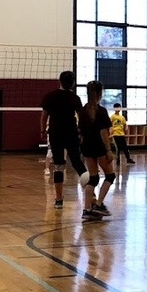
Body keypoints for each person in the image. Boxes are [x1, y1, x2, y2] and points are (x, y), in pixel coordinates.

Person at [42, 70, 87, 209]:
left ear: (59, 81)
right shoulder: (74, 98)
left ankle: (59, 199)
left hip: (55, 132)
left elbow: (44, 116)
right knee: (78, 163)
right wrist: (81, 132)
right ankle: (92, 195)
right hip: (71, 132)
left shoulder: (50, 96)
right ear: (72, 83)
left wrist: (42, 131)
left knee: (58, 165)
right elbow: (82, 117)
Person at [78, 82, 116, 222]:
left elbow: (80, 132)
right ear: (100, 94)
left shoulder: (82, 110)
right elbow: (103, 133)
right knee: (110, 176)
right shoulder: (101, 111)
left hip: (86, 147)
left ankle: (87, 210)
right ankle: (99, 205)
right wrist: (108, 150)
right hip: (99, 147)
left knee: (93, 179)